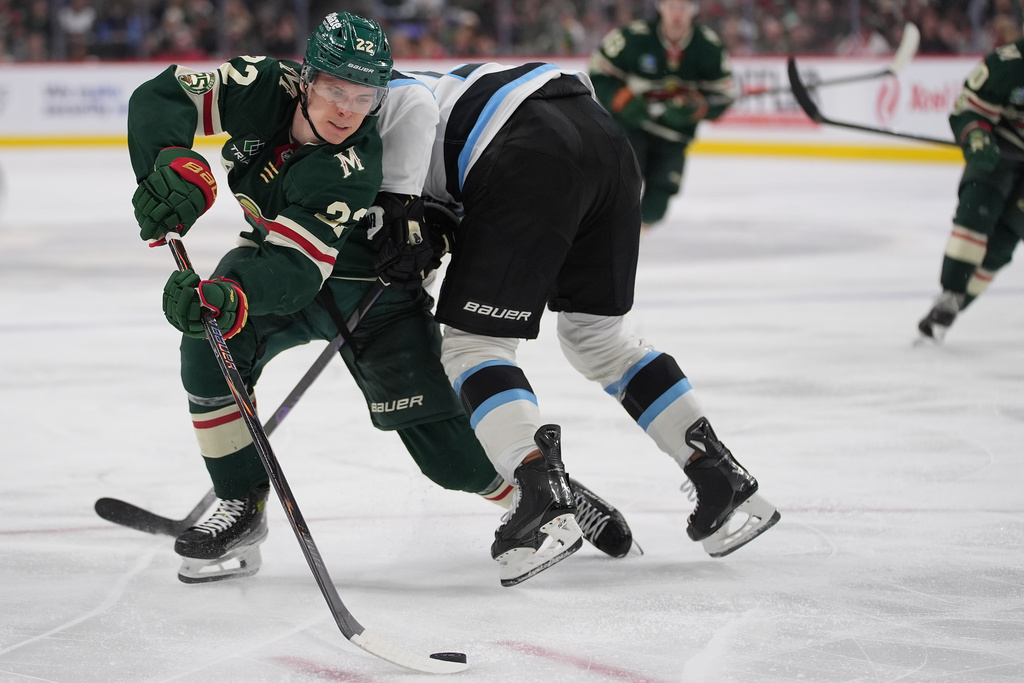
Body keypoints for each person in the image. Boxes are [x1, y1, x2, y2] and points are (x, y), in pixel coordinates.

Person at [127, 12, 632, 584]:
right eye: (336, 89)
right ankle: (241, 504)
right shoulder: (259, 84)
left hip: (373, 295)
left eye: (364, 96)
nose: (347, 110)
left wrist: (230, 294)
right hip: (275, 259)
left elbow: (295, 270)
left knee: (448, 459)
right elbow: (160, 97)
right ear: (305, 78)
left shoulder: (349, 165)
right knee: (206, 349)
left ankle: (539, 489)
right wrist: (173, 166)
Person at [397, 62, 780, 587]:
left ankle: (541, 501)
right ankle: (719, 477)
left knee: (474, 345)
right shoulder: (412, 89)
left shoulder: (378, 105)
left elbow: (424, 197)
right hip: (604, 142)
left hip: (521, 148)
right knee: (598, 339)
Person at [588, 0, 736, 230]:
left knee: (656, 208)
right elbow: (599, 71)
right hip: (631, 128)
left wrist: (695, 108)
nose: (676, 14)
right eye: (671, 6)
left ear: (693, 11)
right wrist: (622, 100)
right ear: (661, 8)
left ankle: (636, 236)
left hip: (674, 136)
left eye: (683, 8)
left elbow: (722, 96)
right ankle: (604, 236)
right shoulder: (633, 36)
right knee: (619, 186)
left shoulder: (708, 47)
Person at [917, 38, 1024, 343]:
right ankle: (951, 293)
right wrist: (977, 135)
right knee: (976, 213)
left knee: (1004, 242)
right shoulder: (1008, 64)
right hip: (999, 151)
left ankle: (953, 307)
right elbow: (968, 108)